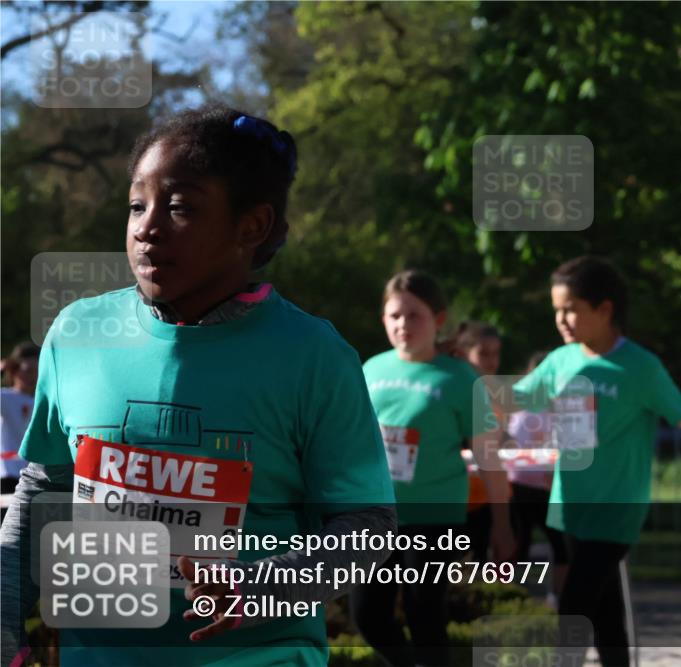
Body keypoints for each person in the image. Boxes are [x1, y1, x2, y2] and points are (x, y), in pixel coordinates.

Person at [0, 105, 396, 667]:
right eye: (137, 205)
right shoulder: (77, 333)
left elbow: (368, 526)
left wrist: (260, 586)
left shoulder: (315, 356)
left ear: (251, 226)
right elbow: (45, 487)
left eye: (180, 207)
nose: (147, 227)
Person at [513, 256, 681, 667]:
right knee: (605, 613)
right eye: (557, 310)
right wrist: (458, 387)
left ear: (605, 309)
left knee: (574, 606)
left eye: (571, 308)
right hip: (570, 504)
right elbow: (512, 400)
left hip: (616, 508)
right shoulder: (560, 361)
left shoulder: (641, 367)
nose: (561, 320)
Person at [352, 271, 515, 667]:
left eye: (415, 315)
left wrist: (502, 525)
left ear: (438, 320)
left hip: (433, 516)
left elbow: (488, 458)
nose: (403, 325)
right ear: (382, 319)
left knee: (425, 614)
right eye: (395, 316)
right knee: (368, 617)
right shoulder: (371, 369)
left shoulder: (459, 378)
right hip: (373, 515)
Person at [506, 350, 568, 606]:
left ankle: (558, 600)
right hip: (518, 486)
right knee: (517, 546)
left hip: (551, 489)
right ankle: (508, 599)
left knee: (562, 546)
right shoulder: (519, 407)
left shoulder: (562, 406)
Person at [451, 321, 505, 561]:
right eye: (483, 353)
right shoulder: (450, 390)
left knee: (482, 569)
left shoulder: (494, 394)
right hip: (453, 501)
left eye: (496, 353)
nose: (491, 361)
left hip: (485, 500)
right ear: (463, 354)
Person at [1, 343, 39, 498]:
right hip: (8, 477)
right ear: (14, 370)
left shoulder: (43, 402)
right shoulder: (5, 397)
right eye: (28, 370)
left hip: (35, 477)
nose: (33, 376)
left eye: (37, 371)